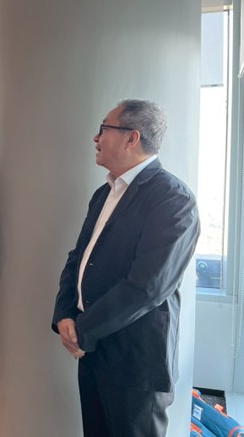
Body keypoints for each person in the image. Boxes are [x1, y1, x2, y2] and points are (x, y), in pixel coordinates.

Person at [52, 99, 201, 437]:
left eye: (103, 129)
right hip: (94, 348)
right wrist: (64, 314)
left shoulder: (173, 198)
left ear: (132, 137)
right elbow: (78, 257)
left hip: (136, 359)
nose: (96, 138)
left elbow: (148, 286)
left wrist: (83, 330)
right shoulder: (104, 193)